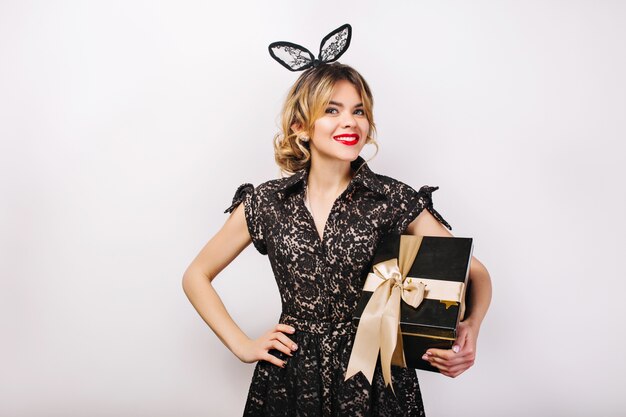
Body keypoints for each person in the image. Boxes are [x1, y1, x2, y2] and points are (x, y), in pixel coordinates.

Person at [182, 24, 492, 417]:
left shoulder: (391, 199)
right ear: (300, 126)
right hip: (291, 378)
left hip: (376, 382)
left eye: (358, 111)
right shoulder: (267, 202)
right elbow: (196, 275)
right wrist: (244, 346)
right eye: (332, 110)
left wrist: (471, 329)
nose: (351, 121)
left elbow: (475, 272)